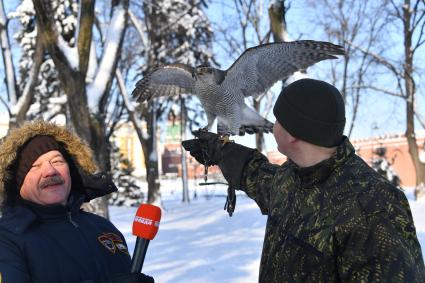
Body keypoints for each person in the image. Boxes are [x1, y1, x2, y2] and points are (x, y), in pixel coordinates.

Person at [183, 78, 425, 282]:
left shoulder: (373, 206)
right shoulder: (293, 176)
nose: (273, 125)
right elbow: (259, 175)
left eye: (278, 119)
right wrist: (221, 151)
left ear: (294, 134)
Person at [0, 121, 154, 283]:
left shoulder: (103, 228)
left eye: (57, 161)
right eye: (35, 166)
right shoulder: (7, 238)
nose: (50, 171)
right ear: (18, 184)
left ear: (71, 171)